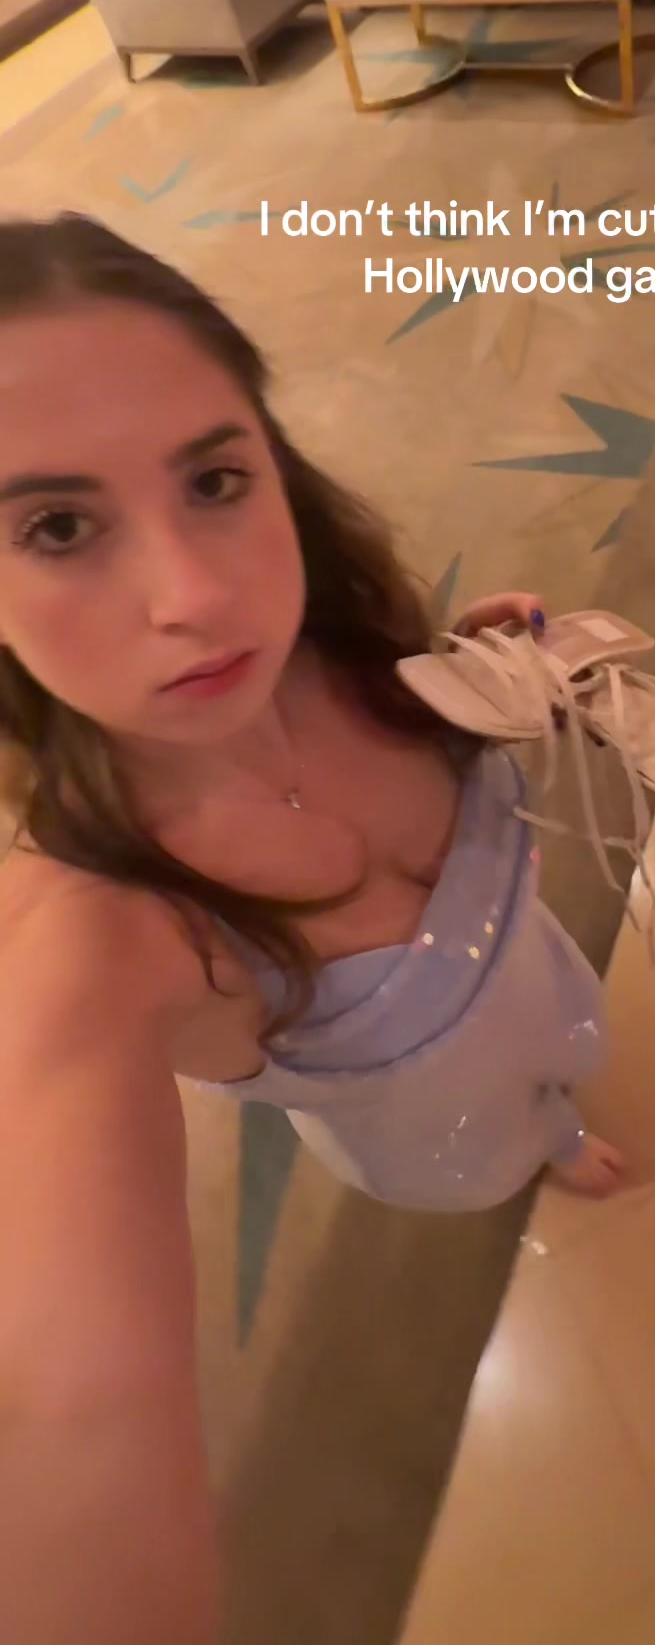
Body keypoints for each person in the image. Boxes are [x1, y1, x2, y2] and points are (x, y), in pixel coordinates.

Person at [0, 213, 623, 1645]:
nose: (198, 598)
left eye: (215, 480)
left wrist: (474, 676)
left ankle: (565, 1127)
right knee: (504, 1145)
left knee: (568, 1068)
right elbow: (70, 1431)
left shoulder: (340, 635)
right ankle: (541, 1146)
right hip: (436, 1141)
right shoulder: (95, 937)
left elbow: (436, 711)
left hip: (539, 982)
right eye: (56, 527)